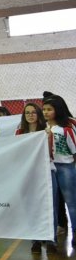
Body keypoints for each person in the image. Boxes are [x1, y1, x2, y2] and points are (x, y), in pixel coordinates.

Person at [16, 103, 56, 253]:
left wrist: (47, 137)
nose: (31, 115)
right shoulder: (20, 132)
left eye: (33, 112)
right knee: (31, 207)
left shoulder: (46, 131)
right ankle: (35, 240)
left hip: (46, 172)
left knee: (50, 206)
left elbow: (50, 154)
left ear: (38, 114)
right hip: (28, 173)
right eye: (27, 113)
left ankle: (51, 239)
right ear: (24, 116)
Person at [43, 95, 76, 249]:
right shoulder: (42, 128)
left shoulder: (67, 129)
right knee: (52, 204)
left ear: (58, 110)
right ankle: (51, 237)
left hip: (65, 167)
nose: (45, 112)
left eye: (49, 109)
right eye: (43, 109)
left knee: (71, 203)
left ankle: (75, 232)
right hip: (48, 168)